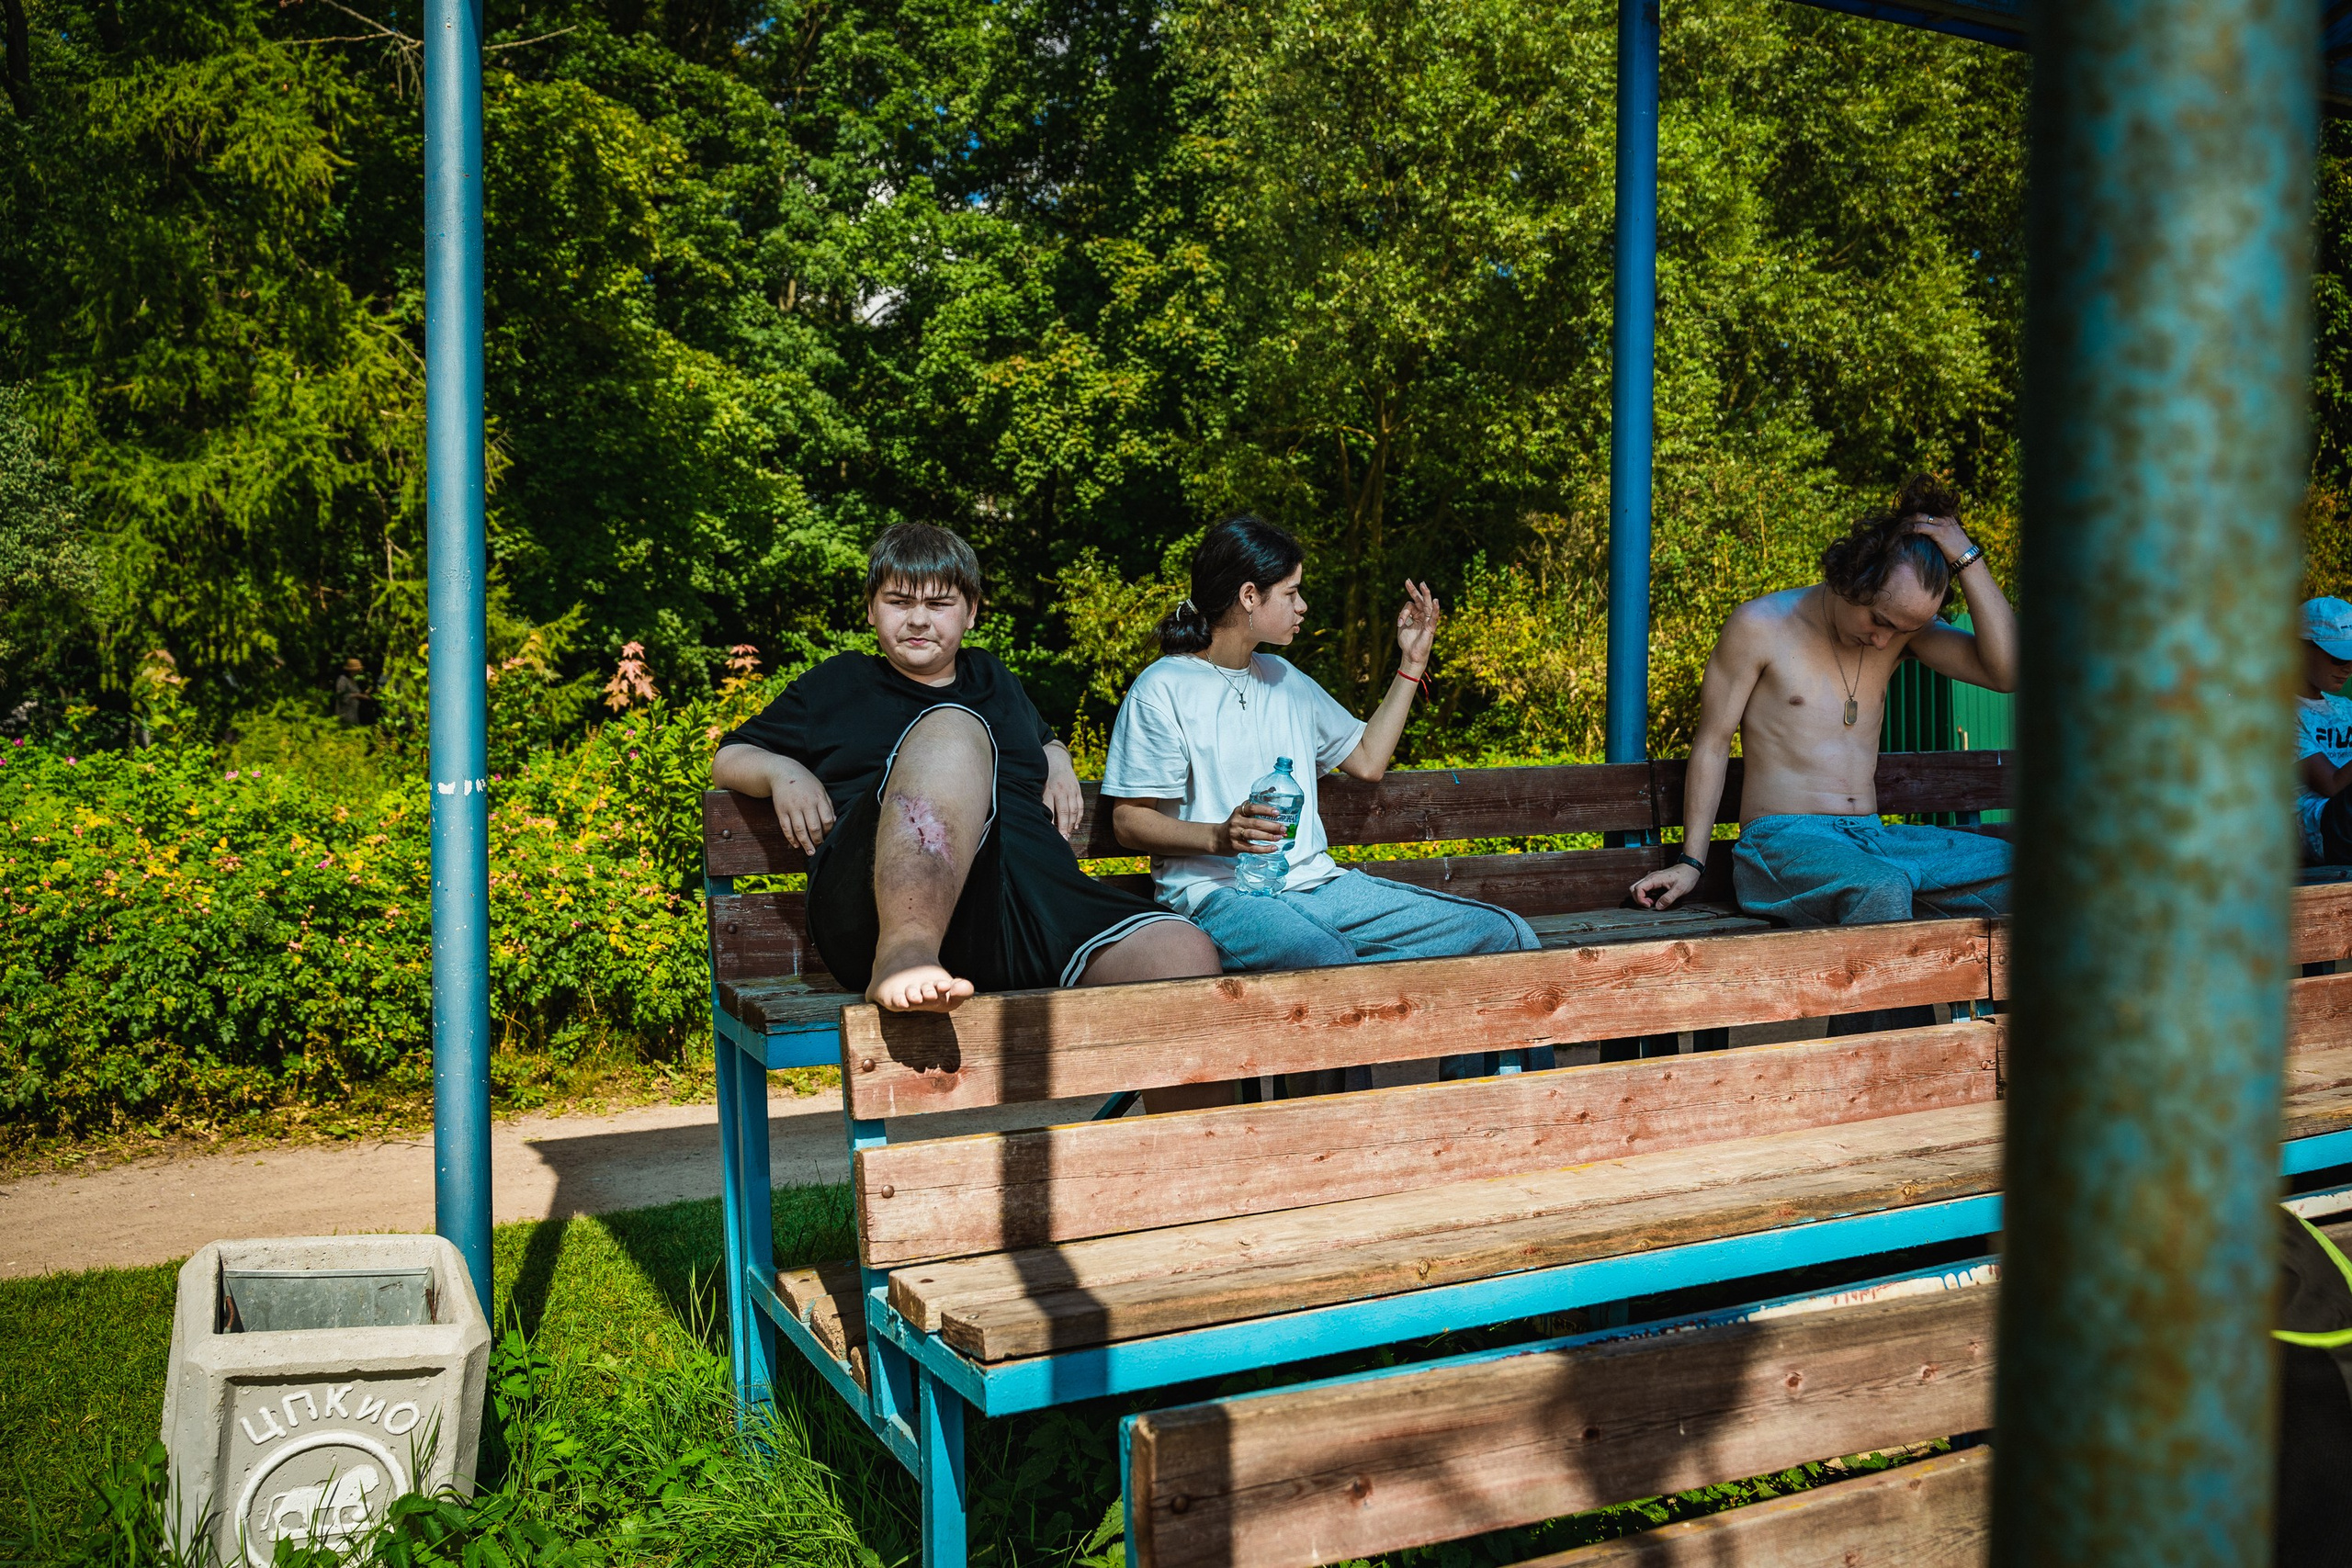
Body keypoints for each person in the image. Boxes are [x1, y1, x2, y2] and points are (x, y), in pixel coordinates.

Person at [711, 522, 1219, 1014]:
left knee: (1183, 954)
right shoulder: (836, 685)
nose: (918, 620)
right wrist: (782, 771)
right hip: (876, 913)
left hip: (1027, 912)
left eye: (938, 604)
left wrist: (1058, 755)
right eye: (899, 602)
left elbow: (1041, 736)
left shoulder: (994, 678)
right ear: (871, 609)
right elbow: (729, 757)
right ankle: (906, 952)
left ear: (971, 612)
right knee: (951, 727)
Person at [1101, 514, 1541, 980]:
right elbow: (1128, 820)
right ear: (1250, 596)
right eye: (1291, 594)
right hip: (1218, 896)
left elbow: (1369, 759)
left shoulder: (1287, 680)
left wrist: (1413, 662)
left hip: (1318, 888)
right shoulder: (1164, 687)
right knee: (1326, 961)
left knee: (1501, 935)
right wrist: (1217, 837)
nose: (1303, 606)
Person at [1629, 476, 2019, 926]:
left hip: (1872, 842)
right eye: (1878, 620)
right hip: (1782, 844)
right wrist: (1691, 862)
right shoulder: (1761, 626)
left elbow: (2006, 672)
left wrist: (1966, 556)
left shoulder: (1895, 639)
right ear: (1851, 575)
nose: (1882, 640)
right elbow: (1713, 744)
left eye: (1901, 631)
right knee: (1879, 888)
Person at [2294, 596, 2352, 866]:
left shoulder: (2344, 707)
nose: (2348, 668)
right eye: (2338, 657)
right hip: (2320, 828)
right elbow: (2331, 785)